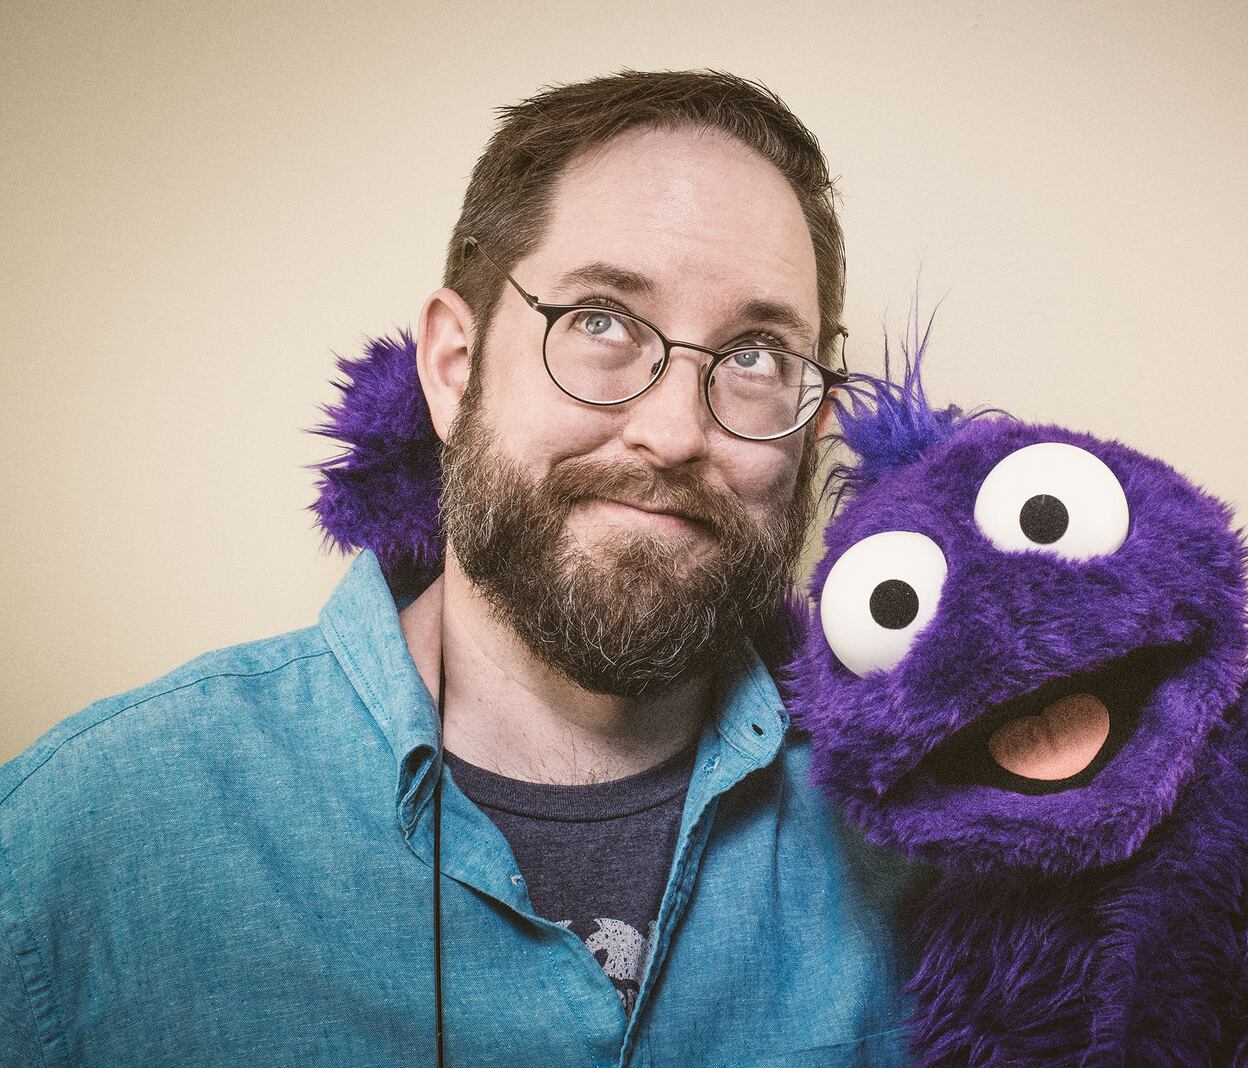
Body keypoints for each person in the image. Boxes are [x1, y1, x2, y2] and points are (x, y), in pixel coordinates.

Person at [0, 70, 914, 1066]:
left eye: (753, 353)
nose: (673, 433)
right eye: (600, 321)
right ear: (451, 365)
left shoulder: (928, 843)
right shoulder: (72, 847)